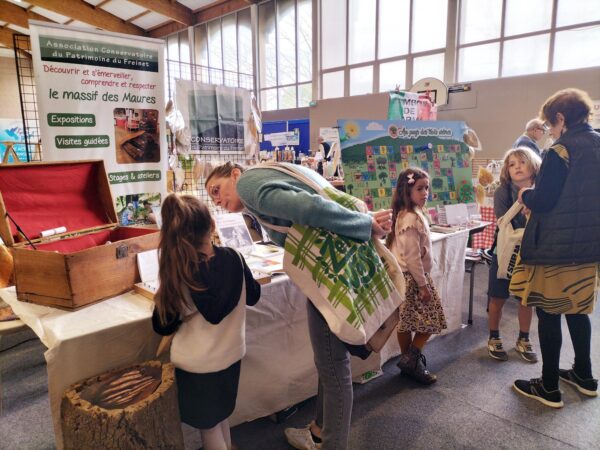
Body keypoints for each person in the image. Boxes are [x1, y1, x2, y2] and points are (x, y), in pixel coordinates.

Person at [205, 161, 393, 450]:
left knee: (333, 368)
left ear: (234, 174)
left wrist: (363, 225)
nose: (217, 200)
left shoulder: (248, 185)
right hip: (335, 269)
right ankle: (318, 430)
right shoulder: (271, 171)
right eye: (212, 198)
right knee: (331, 360)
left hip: (330, 274)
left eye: (216, 190)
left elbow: (310, 208)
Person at [511, 88, 600, 408]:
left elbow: (545, 200)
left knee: (548, 311)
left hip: (557, 248)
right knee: (578, 310)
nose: (548, 130)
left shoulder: (560, 150)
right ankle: (585, 375)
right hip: (590, 247)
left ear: (561, 118)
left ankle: (548, 386)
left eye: (550, 124)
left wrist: (526, 196)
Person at [151, 194, 261, 449]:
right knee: (219, 415)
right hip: (232, 353)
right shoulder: (235, 257)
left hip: (197, 365)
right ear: (212, 224)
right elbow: (254, 296)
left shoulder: (178, 274)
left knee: (208, 427)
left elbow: (162, 325)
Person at [386, 168, 446, 385]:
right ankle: (411, 361)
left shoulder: (408, 214)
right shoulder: (410, 218)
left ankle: (408, 361)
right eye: (420, 188)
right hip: (412, 279)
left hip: (406, 278)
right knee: (430, 321)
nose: (425, 192)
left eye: (427, 188)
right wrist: (422, 285)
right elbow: (412, 257)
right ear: (406, 190)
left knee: (407, 323)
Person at [487, 147, 542, 363]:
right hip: (505, 251)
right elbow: (503, 221)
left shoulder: (542, 191)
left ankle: (523, 338)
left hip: (531, 252)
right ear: (506, 171)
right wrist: (523, 204)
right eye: (512, 164)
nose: (517, 167)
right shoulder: (503, 192)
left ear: (533, 165)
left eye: (521, 162)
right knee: (497, 296)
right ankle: (494, 336)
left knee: (526, 298)